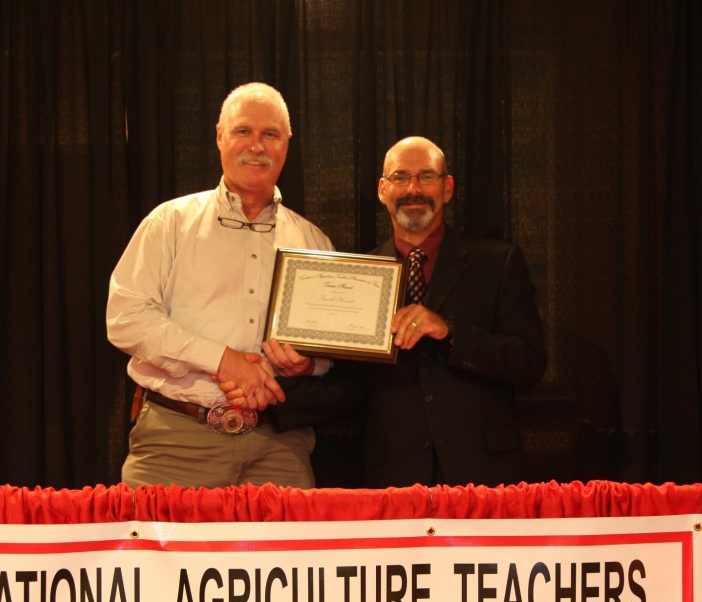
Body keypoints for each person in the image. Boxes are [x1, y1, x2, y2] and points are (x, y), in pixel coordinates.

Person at [225, 136, 547, 488]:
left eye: (426, 176)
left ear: (447, 187)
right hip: (392, 477)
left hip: (484, 474)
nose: (413, 189)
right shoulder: (360, 275)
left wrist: (450, 332)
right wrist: (276, 392)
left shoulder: (498, 262)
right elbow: (350, 386)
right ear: (382, 189)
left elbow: (528, 362)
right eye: (400, 178)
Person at [106, 82, 334, 489]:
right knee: (155, 553)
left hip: (279, 447)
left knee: (286, 554)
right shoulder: (169, 223)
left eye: (270, 134)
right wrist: (222, 360)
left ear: (287, 144)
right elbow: (126, 319)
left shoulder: (314, 242)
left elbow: (330, 351)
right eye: (243, 131)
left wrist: (308, 365)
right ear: (219, 136)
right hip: (175, 444)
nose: (257, 145)